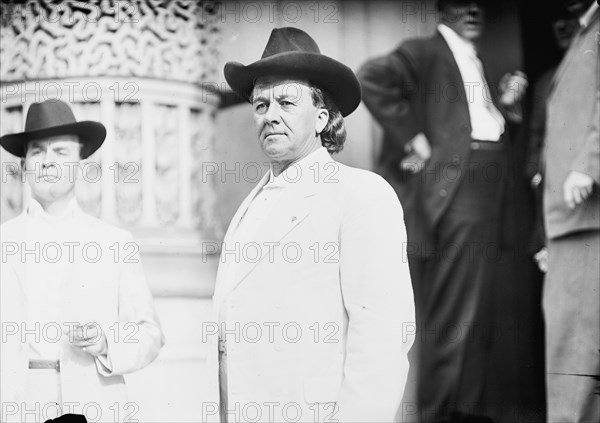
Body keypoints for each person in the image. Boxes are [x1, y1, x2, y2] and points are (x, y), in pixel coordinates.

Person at [202, 27, 415, 423]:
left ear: (321, 117)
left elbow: (383, 337)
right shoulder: (249, 207)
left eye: (286, 101)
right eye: (261, 105)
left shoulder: (359, 194)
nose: (271, 116)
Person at [358, 1, 526, 421]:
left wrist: (505, 108)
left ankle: (465, 411)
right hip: (461, 191)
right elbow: (371, 79)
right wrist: (414, 139)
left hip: (488, 189)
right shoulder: (425, 50)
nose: (472, 9)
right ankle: (440, 414)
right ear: (441, 8)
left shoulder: (473, 59)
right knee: (457, 312)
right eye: (458, 2)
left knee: (479, 310)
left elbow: (472, 124)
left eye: (478, 3)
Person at [0, 100, 165, 423]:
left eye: (61, 152)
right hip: (14, 403)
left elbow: (150, 335)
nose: (48, 162)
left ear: (80, 163)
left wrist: (107, 342)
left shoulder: (114, 243)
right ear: (24, 166)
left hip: (93, 403)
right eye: (37, 152)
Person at [542, 0, 599, 421]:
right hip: (570, 217)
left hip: (584, 213)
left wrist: (588, 165)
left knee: (574, 340)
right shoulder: (586, 30)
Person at [526, 12, 579, 272]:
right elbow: (537, 135)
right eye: (555, 18)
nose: (561, 24)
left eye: (570, 15)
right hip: (553, 187)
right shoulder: (546, 81)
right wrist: (535, 172)